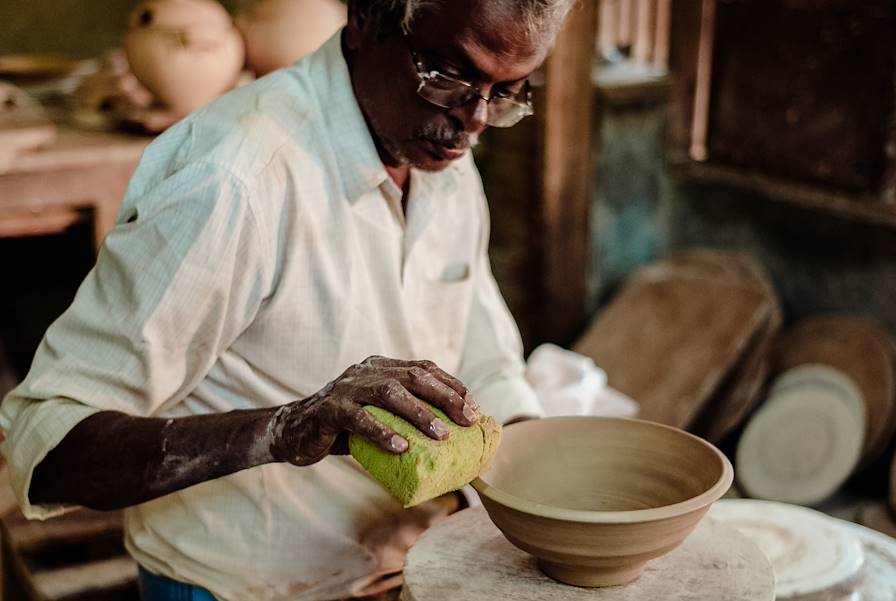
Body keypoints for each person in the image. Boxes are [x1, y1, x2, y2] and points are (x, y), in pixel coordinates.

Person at [0, 0, 576, 599]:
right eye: (451, 75)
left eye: (508, 91)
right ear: (367, 19)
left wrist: (537, 468)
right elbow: (49, 441)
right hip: (240, 587)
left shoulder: (439, 149)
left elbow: (483, 356)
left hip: (404, 569)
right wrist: (283, 429)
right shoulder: (234, 178)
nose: (477, 120)